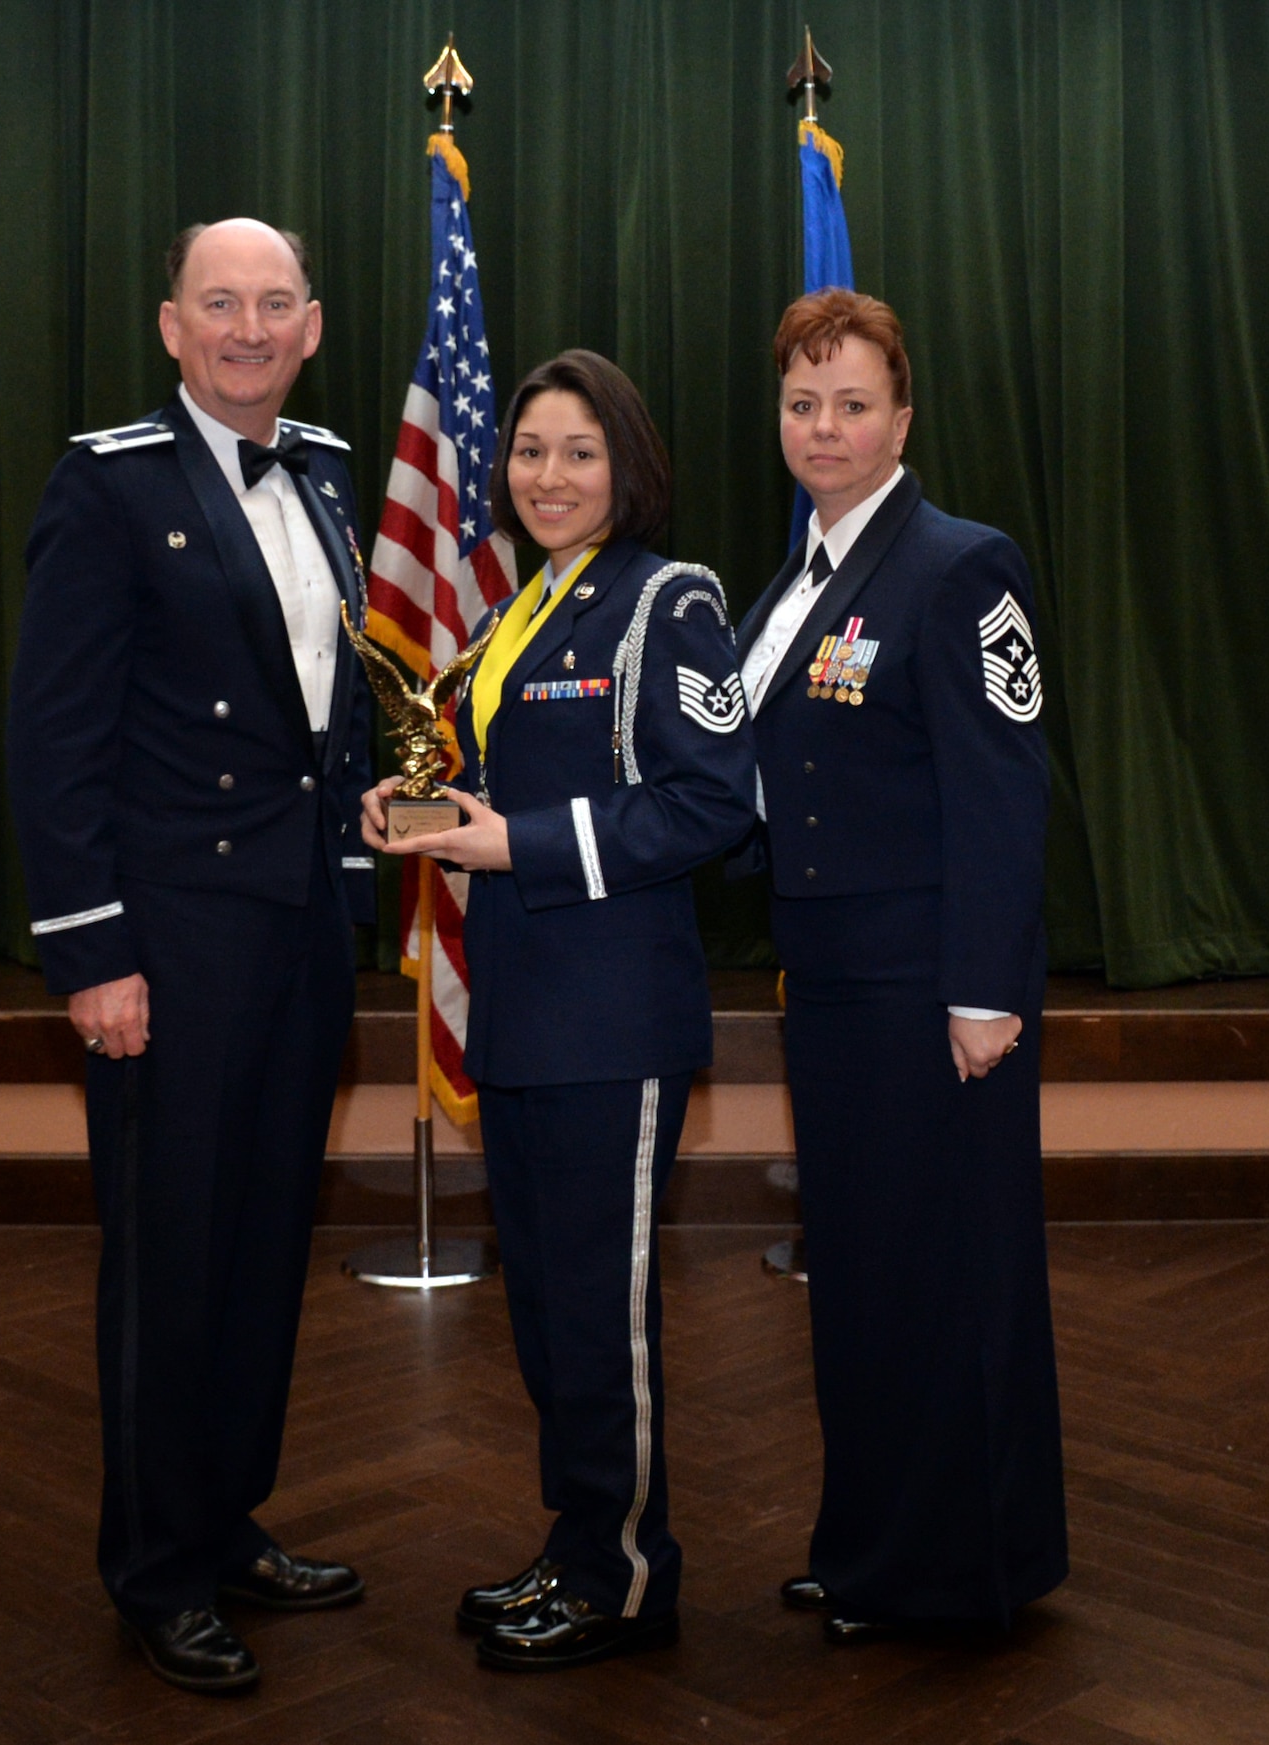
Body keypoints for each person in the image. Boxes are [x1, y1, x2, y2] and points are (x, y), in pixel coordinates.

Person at [7, 218, 376, 1695]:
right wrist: (94, 952)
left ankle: (227, 1520)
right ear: (171, 326)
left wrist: (353, 883)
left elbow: (332, 720)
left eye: (271, 303)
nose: (245, 327)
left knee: (263, 1243)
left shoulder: (333, 474)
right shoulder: (106, 487)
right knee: (170, 1259)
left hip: (295, 940)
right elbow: (55, 738)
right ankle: (156, 1567)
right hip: (167, 948)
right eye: (217, 303)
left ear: (312, 323)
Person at [361, 351, 757, 1671]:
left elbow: (711, 801)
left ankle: (633, 1574)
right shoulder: (520, 613)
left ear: (627, 463)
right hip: (521, 1015)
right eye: (529, 449)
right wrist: (407, 817)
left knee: (604, 1308)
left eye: (578, 450)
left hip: (614, 1022)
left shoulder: (668, 602)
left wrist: (514, 843)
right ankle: (581, 1539)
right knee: (545, 1306)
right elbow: (482, 803)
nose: (548, 474)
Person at [732, 289, 1067, 1640]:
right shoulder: (792, 581)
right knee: (864, 1277)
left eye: (853, 402)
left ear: (903, 418)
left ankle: (961, 1568)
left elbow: (1005, 790)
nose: (826, 427)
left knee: (950, 1283)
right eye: (804, 404)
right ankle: (870, 1543)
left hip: (934, 996)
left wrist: (982, 990)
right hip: (834, 991)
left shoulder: (958, 564)